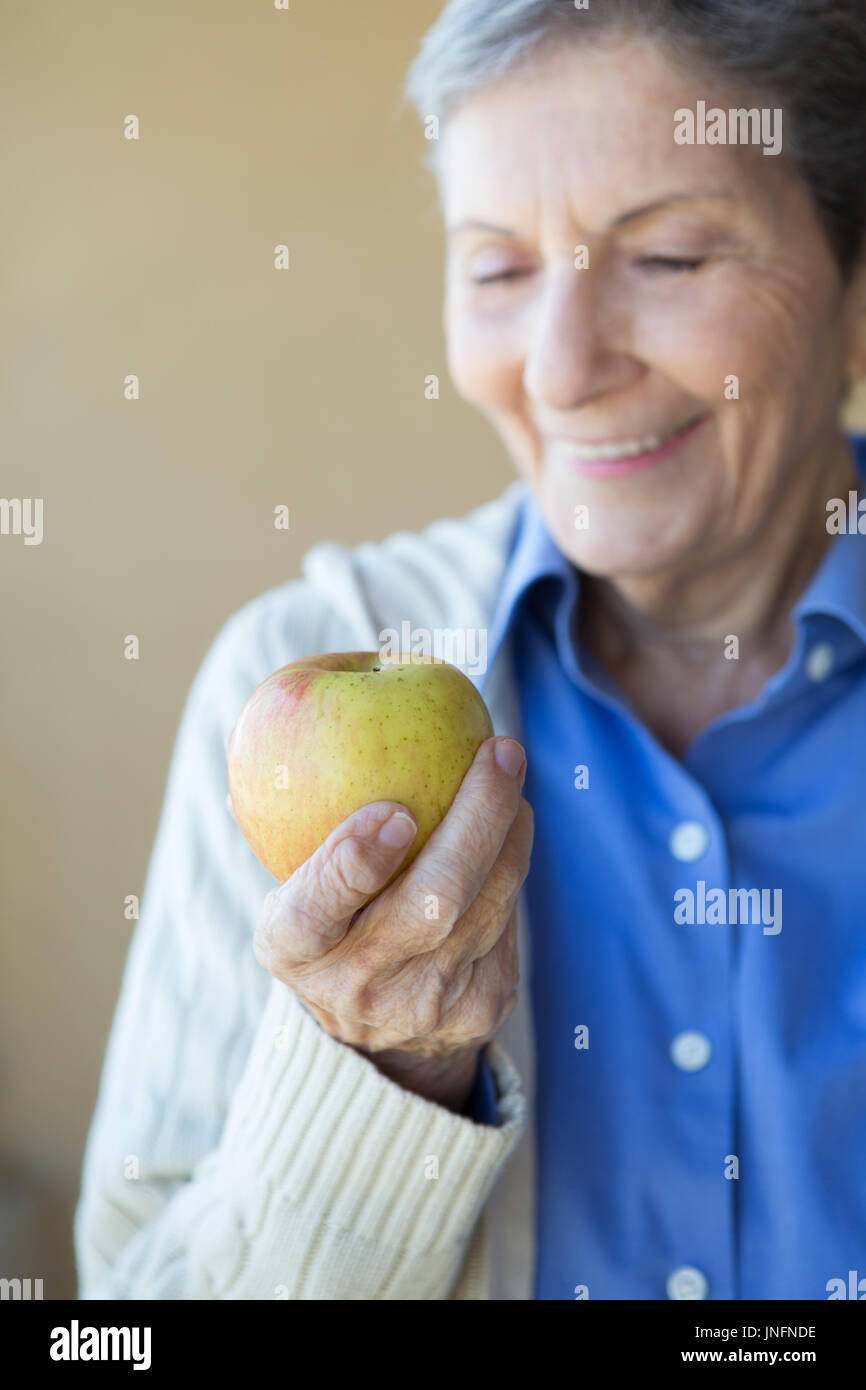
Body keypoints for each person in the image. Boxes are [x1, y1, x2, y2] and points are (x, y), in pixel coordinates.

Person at [76, 0, 866, 1299]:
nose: (558, 368)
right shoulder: (283, 667)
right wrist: (377, 1077)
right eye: (496, 270)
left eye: (665, 256)